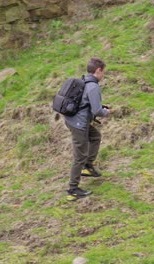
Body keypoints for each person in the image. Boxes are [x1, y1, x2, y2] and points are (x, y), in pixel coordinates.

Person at [64, 57, 111, 200]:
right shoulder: (93, 86)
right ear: (98, 70)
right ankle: (73, 190)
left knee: (95, 136)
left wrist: (100, 108)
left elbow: (86, 103)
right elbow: (97, 110)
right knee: (79, 156)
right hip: (79, 124)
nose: (104, 75)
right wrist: (107, 112)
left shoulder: (84, 80)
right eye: (104, 72)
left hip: (74, 120)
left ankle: (88, 166)